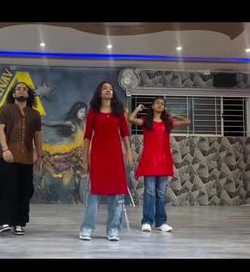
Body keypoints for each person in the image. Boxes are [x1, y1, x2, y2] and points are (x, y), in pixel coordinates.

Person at [79, 81, 133, 242]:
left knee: (117, 194)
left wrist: (129, 151)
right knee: (94, 193)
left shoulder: (119, 112)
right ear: (99, 92)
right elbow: (87, 137)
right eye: (105, 88)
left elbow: (125, 133)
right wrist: (84, 159)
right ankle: (87, 228)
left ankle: (113, 229)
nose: (108, 90)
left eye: (111, 89)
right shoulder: (93, 113)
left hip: (115, 157)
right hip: (98, 157)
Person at [130, 97, 190, 232]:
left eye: (162, 104)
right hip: (150, 161)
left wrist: (174, 115)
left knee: (161, 193)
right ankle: (147, 221)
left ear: (164, 107)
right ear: (152, 106)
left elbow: (187, 121)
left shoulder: (168, 122)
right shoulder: (147, 121)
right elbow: (131, 119)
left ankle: (161, 222)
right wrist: (138, 109)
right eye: (157, 103)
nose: (160, 105)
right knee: (150, 192)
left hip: (163, 161)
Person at [0, 82, 43, 235]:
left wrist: (40, 155)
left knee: (25, 191)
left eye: (24, 89)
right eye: (18, 89)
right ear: (13, 94)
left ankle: (19, 222)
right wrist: (5, 149)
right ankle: (4, 221)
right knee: (7, 189)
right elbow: (0, 130)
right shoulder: (5, 109)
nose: (21, 91)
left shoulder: (35, 114)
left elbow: (37, 136)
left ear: (28, 94)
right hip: (8, 157)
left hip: (27, 159)